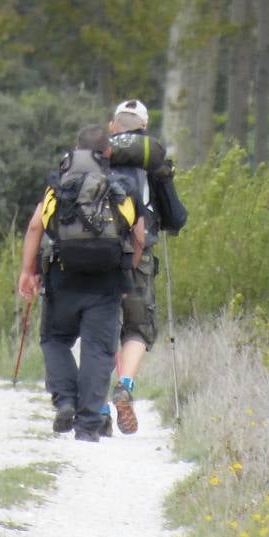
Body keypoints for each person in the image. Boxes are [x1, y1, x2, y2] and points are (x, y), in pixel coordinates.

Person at [18, 125, 145, 442]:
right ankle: (88, 425)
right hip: (106, 281)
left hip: (63, 277)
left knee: (55, 340)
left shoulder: (60, 186)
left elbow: (36, 227)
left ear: (76, 150)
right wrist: (130, 265)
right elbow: (139, 236)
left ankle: (65, 400)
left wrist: (27, 271)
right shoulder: (120, 188)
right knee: (98, 351)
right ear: (108, 153)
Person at [102, 99, 188, 435]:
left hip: (96, 254)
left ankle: (97, 404)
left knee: (101, 327)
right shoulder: (154, 164)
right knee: (137, 328)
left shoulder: (97, 156)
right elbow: (177, 218)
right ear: (143, 129)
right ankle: (124, 386)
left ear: (113, 127)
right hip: (139, 257)